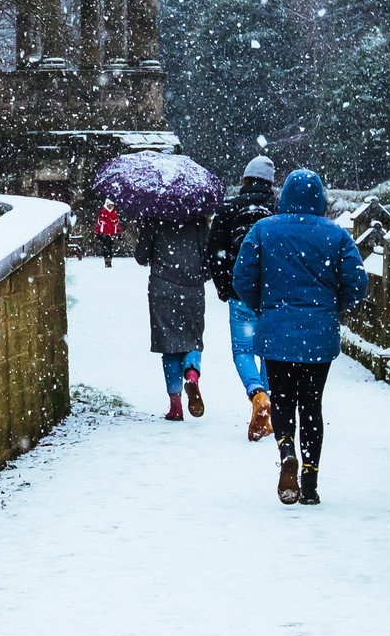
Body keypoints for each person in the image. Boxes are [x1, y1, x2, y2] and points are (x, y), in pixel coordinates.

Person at [232, 168, 367, 505]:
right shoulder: (335, 235)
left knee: (281, 401)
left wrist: (264, 306)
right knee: (311, 404)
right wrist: (332, 307)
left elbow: (242, 278)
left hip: (276, 333)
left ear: (284, 197)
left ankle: (286, 450)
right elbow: (358, 283)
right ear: (320, 199)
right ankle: (310, 479)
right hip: (319, 336)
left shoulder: (263, 230)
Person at [207, 155, 280, 442]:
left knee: (243, 349)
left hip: (240, 292)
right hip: (272, 294)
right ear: (270, 183)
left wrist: (224, 287)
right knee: (269, 351)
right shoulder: (278, 209)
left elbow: (215, 252)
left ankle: (257, 394)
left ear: (246, 179)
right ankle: (268, 399)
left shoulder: (229, 208)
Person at [135, 212, 211, 421]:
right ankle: (192, 374)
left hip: (162, 287)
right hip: (192, 287)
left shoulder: (155, 216)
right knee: (193, 339)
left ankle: (176, 406)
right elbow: (208, 255)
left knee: (168, 343)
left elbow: (141, 256)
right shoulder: (198, 218)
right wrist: (201, 275)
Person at [93, 198, 121, 266]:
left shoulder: (114, 213)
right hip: (104, 233)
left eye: (112, 205)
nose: (111, 206)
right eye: (110, 205)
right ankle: (106, 261)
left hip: (112, 233)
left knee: (110, 248)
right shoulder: (102, 213)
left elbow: (117, 224)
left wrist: (119, 231)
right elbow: (99, 224)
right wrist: (97, 232)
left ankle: (109, 261)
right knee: (106, 248)